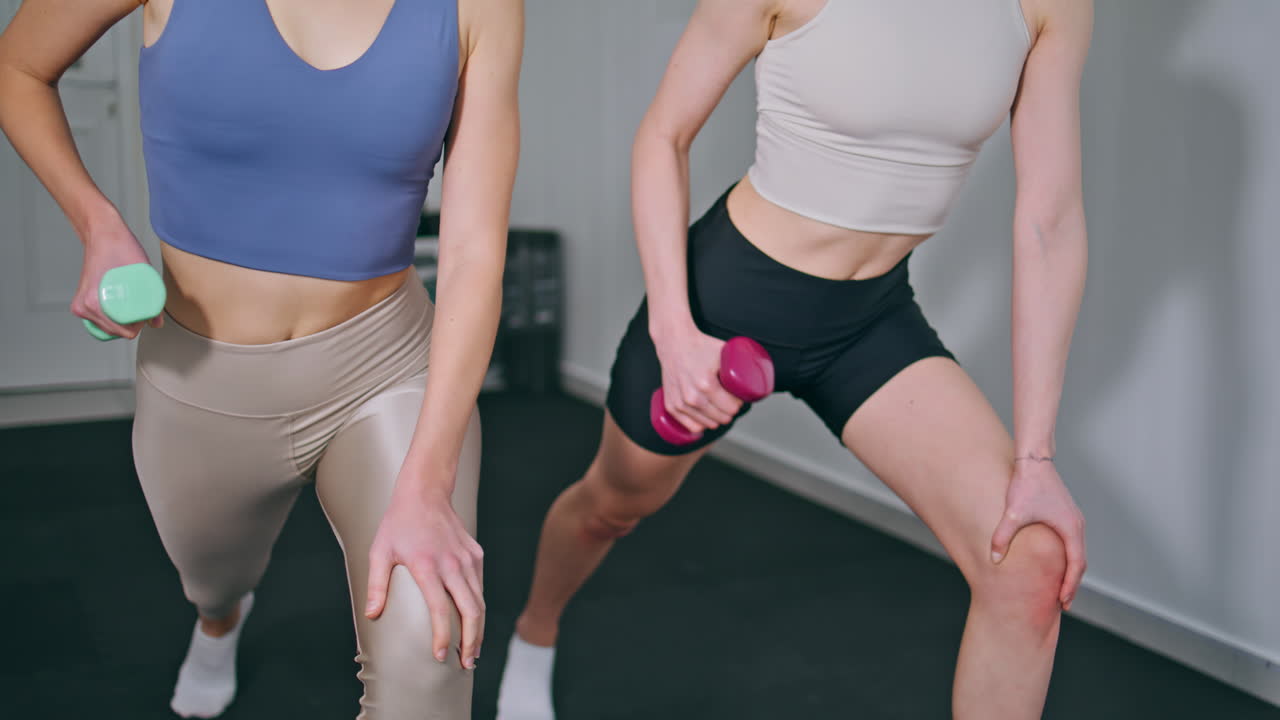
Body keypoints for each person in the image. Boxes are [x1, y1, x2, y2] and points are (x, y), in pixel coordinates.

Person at [495, 0, 1091, 718]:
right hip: (725, 304)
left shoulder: (1048, 6)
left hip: (869, 321)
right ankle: (535, 635)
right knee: (612, 506)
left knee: (1029, 563)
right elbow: (663, 135)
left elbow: (1049, 219)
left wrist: (1036, 458)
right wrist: (675, 332)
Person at [0, 0, 522, 717]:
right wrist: (99, 225)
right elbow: (19, 67)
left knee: (429, 662)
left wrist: (429, 484)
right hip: (202, 377)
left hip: (386, 366)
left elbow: (472, 252)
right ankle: (220, 622)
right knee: (212, 578)